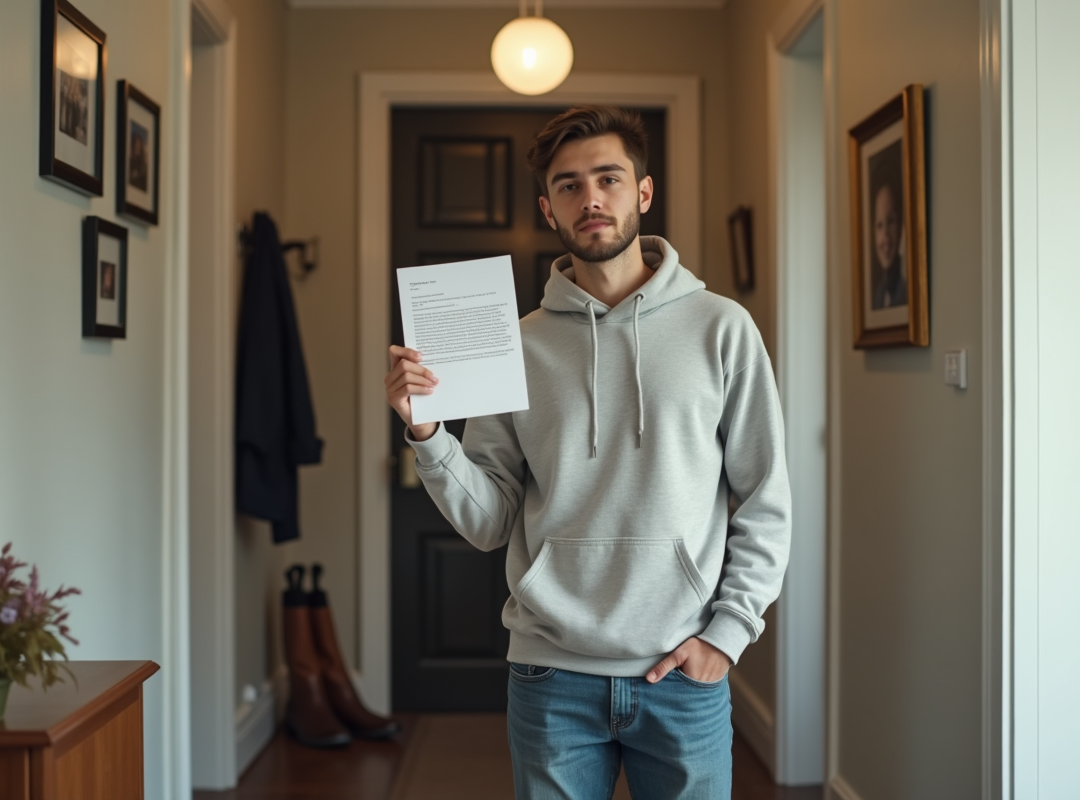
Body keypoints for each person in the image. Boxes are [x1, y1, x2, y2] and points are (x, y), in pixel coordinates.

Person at [383, 106, 791, 799]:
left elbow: (765, 498)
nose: (591, 198)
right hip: (552, 676)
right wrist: (427, 435)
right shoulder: (516, 343)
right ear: (548, 208)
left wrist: (727, 635)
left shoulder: (722, 328)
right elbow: (489, 521)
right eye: (569, 185)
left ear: (643, 193)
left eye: (608, 177)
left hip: (681, 669)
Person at [870, 168, 907, 309]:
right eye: (879, 225)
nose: (885, 235)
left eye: (891, 221)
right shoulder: (877, 296)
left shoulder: (905, 289)